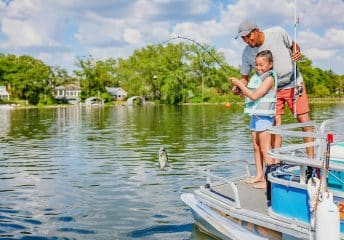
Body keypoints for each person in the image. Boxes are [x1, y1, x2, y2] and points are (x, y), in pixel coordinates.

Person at [233, 20, 314, 164]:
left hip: (294, 83)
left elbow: (294, 45)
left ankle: (312, 161)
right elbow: (244, 78)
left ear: (257, 30)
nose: (246, 41)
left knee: (303, 120)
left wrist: (296, 51)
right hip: (272, 91)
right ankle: (276, 162)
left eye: (248, 36)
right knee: (274, 124)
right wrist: (238, 87)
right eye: (243, 38)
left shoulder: (278, 32)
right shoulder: (246, 53)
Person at [230, 50, 279, 189]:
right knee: (256, 147)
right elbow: (249, 96)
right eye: (257, 65)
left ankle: (268, 181)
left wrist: (240, 84)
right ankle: (259, 175)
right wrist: (239, 91)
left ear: (270, 65)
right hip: (255, 117)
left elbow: (254, 95)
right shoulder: (257, 78)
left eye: (262, 65)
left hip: (264, 118)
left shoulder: (269, 79)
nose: (258, 68)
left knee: (265, 149)